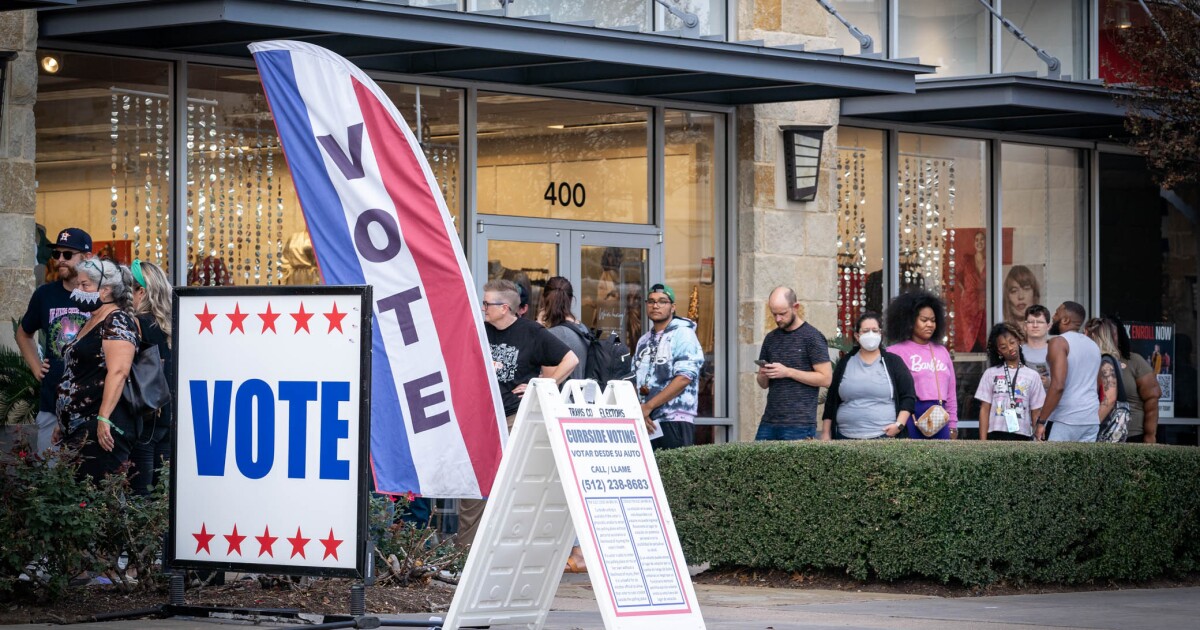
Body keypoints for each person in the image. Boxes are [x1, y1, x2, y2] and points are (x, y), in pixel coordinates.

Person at [457, 279, 578, 547]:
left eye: (487, 304)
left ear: (505, 308)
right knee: (474, 489)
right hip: (480, 420)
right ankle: (462, 557)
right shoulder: (478, 330)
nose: (483, 308)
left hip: (513, 420)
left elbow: (570, 359)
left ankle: (506, 549)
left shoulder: (531, 332)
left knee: (511, 487)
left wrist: (545, 383)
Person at [54, 258, 140, 480]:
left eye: (85, 285)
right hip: (77, 426)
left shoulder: (116, 320)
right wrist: (62, 422)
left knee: (97, 499)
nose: (78, 290)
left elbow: (118, 371)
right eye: (78, 284)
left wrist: (103, 418)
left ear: (105, 290)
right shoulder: (92, 320)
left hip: (98, 426)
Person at [16, 227, 94, 453]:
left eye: (68, 255)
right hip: (52, 405)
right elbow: (23, 333)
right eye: (56, 254)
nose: (60, 260)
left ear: (87, 257)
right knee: (49, 480)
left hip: (91, 406)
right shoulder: (45, 294)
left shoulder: (99, 294)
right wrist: (36, 367)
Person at [820, 311, 915, 440]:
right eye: (865, 331)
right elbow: (831, 400)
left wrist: (898, 425)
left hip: (883, 436)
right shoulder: (845, 362)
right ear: (857, 336)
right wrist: (826, 433)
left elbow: (908, 397)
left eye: (875, 330)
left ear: (880, 334)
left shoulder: (893, 362)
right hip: (845, 438)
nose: (871, 334)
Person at [755, 286, 832, 441]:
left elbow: (826, 379)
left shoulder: (812, 337)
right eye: (774, 314)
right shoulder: (771, 338)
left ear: (795, 307)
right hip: (769, 420)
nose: (777, 319)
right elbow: (763, 384)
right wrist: (764, 374)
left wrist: (788, 372)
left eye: (782, 314)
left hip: (800, 423)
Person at [634, 283, 704, 450]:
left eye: (662, 301)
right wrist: (642, 411)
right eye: (651, 301)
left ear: (672, 307)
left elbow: (684, 378)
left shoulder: (684, 334)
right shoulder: (643, 340)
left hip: (675, 419)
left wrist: (648, 407)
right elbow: (636, 379)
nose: (655, 305)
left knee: (673, 475)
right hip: (647, 420)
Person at [885, 290, 958, 440]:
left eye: (933, 320)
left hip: (939, 418)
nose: (930, 325)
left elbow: (951, 393)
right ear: (910, 321)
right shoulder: (894, 352)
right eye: (924, 320)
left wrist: (953, 425)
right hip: (910, 418)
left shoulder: (942, 351)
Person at [128, 260, 174, 495]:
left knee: (141, 494)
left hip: (146, 416)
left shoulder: (136, 324)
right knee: (161, 497)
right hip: (168, 418)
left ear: (141, 292)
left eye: (129, 289)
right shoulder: (172, 325)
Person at [1034, 302, 1102, 442]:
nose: (1053, 316)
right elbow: (1097, 383)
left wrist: (1041, 421)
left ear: (1065, 320)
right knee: (1082, 464)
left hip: (1065, 419)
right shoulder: (1093, 345)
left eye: (1057, 313)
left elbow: (1058, 385)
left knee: (1052, 464)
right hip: (1091, 419)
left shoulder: (1059, 342)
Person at [975, 322, 1045, 441]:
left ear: (1018, 341)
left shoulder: (1032, 376)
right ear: (999, 352)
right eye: (1003, 347)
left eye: (1012, 342)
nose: (1010, 348)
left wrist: (1038, 437)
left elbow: (1035, 410)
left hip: (1022, 434)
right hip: (995, 434)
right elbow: (984, 409)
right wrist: (983, 442)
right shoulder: (990, 374)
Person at [1110, 317, 1161, 443]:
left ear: (1120, 336)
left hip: (1131, 435)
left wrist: (1150, 435)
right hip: (1095, 435)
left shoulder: (1134, 361)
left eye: (1112, 334)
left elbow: (1152, 398)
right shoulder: (1092, 360)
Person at [538, 276, 587, 381]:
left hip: (562, 396)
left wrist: (539, 329)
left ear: (543, 300)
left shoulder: (553, 334)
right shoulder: (583, 329)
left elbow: (548, 380)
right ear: (571, 300)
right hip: (582, 396)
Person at [1084, 317, 1125, 441]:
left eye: (1086, 336)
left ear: (1094, 336)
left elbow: (1110, 398)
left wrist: (1092, 425)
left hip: (1104, 424)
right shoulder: (1110, 360)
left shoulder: (1105, 362)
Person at [954, 231, 987, 353]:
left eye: (982, 239)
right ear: (974, 243)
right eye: (976, 240)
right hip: (968, 303)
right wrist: (963, 289)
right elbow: (956, 275)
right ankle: (971, 365)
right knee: (970, 334)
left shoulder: (989, 261)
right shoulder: (967, 259)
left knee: (984, 333)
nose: (979, 242)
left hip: (984, 302)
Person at [1022, 304, 1053, 390]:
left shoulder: (1056, 351)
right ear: (1025, 326)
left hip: (1049, 402)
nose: (1035, 325)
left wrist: (1049, 383)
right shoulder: (1017, 352)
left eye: (1039, 322)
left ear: (1048, 326)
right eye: (1031, 322)